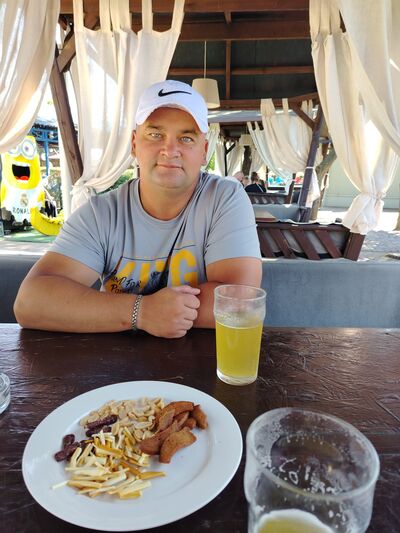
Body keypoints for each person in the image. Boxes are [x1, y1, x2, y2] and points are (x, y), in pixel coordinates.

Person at [14, 80, 262, 339]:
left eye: (186, 138)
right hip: (115, 359)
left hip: (203, 359)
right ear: (134, 144)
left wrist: (119, 311)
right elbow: (31, 302)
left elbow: (239, 300)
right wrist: (142, 312)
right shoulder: (102, 213)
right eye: (155, 135)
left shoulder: (224, 198)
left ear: (204, 151)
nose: (170, 150)